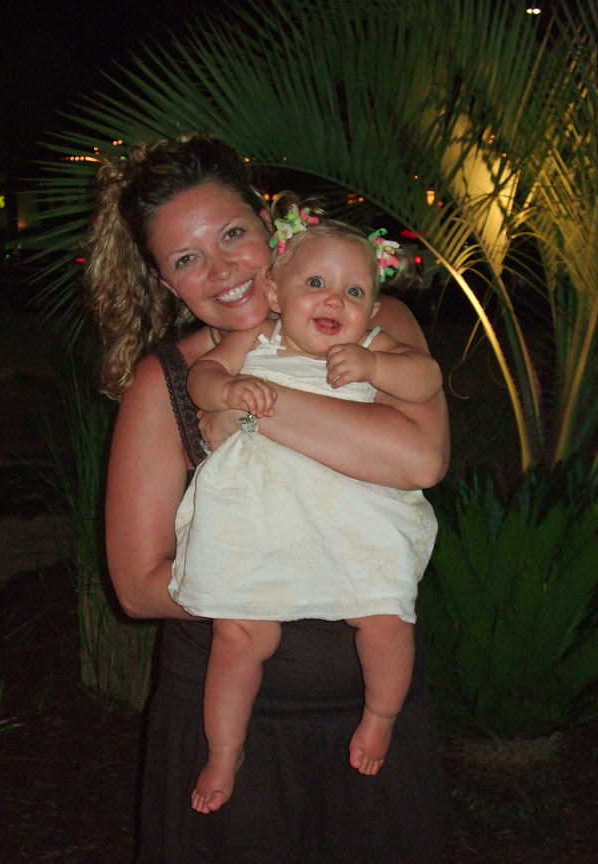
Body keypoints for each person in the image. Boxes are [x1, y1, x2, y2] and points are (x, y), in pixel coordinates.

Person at [86, 131, 450, 863]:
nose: (221, 270)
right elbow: (137, 585)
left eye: (231, 235)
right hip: (231, 727)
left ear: (268, 226)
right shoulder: (170, 381)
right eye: (186, 259)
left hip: (369, 718)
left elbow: (418, 458)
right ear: (166, 282)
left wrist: (257, 412)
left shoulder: (375, 328)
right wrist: (282, 580)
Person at [169, 196, 442, 814]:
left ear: (373, 308)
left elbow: (425, 380)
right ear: (274, 292)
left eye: (354, 292)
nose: (334, 301)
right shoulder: (256, 339)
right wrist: (229, 388)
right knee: (240, 635)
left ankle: (381, 715)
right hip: (262, 518)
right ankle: (225, 749)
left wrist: (376, 364)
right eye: (316, 283)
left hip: (355, 516)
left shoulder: (374, 343)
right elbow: (200, 378)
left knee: (385, 617)